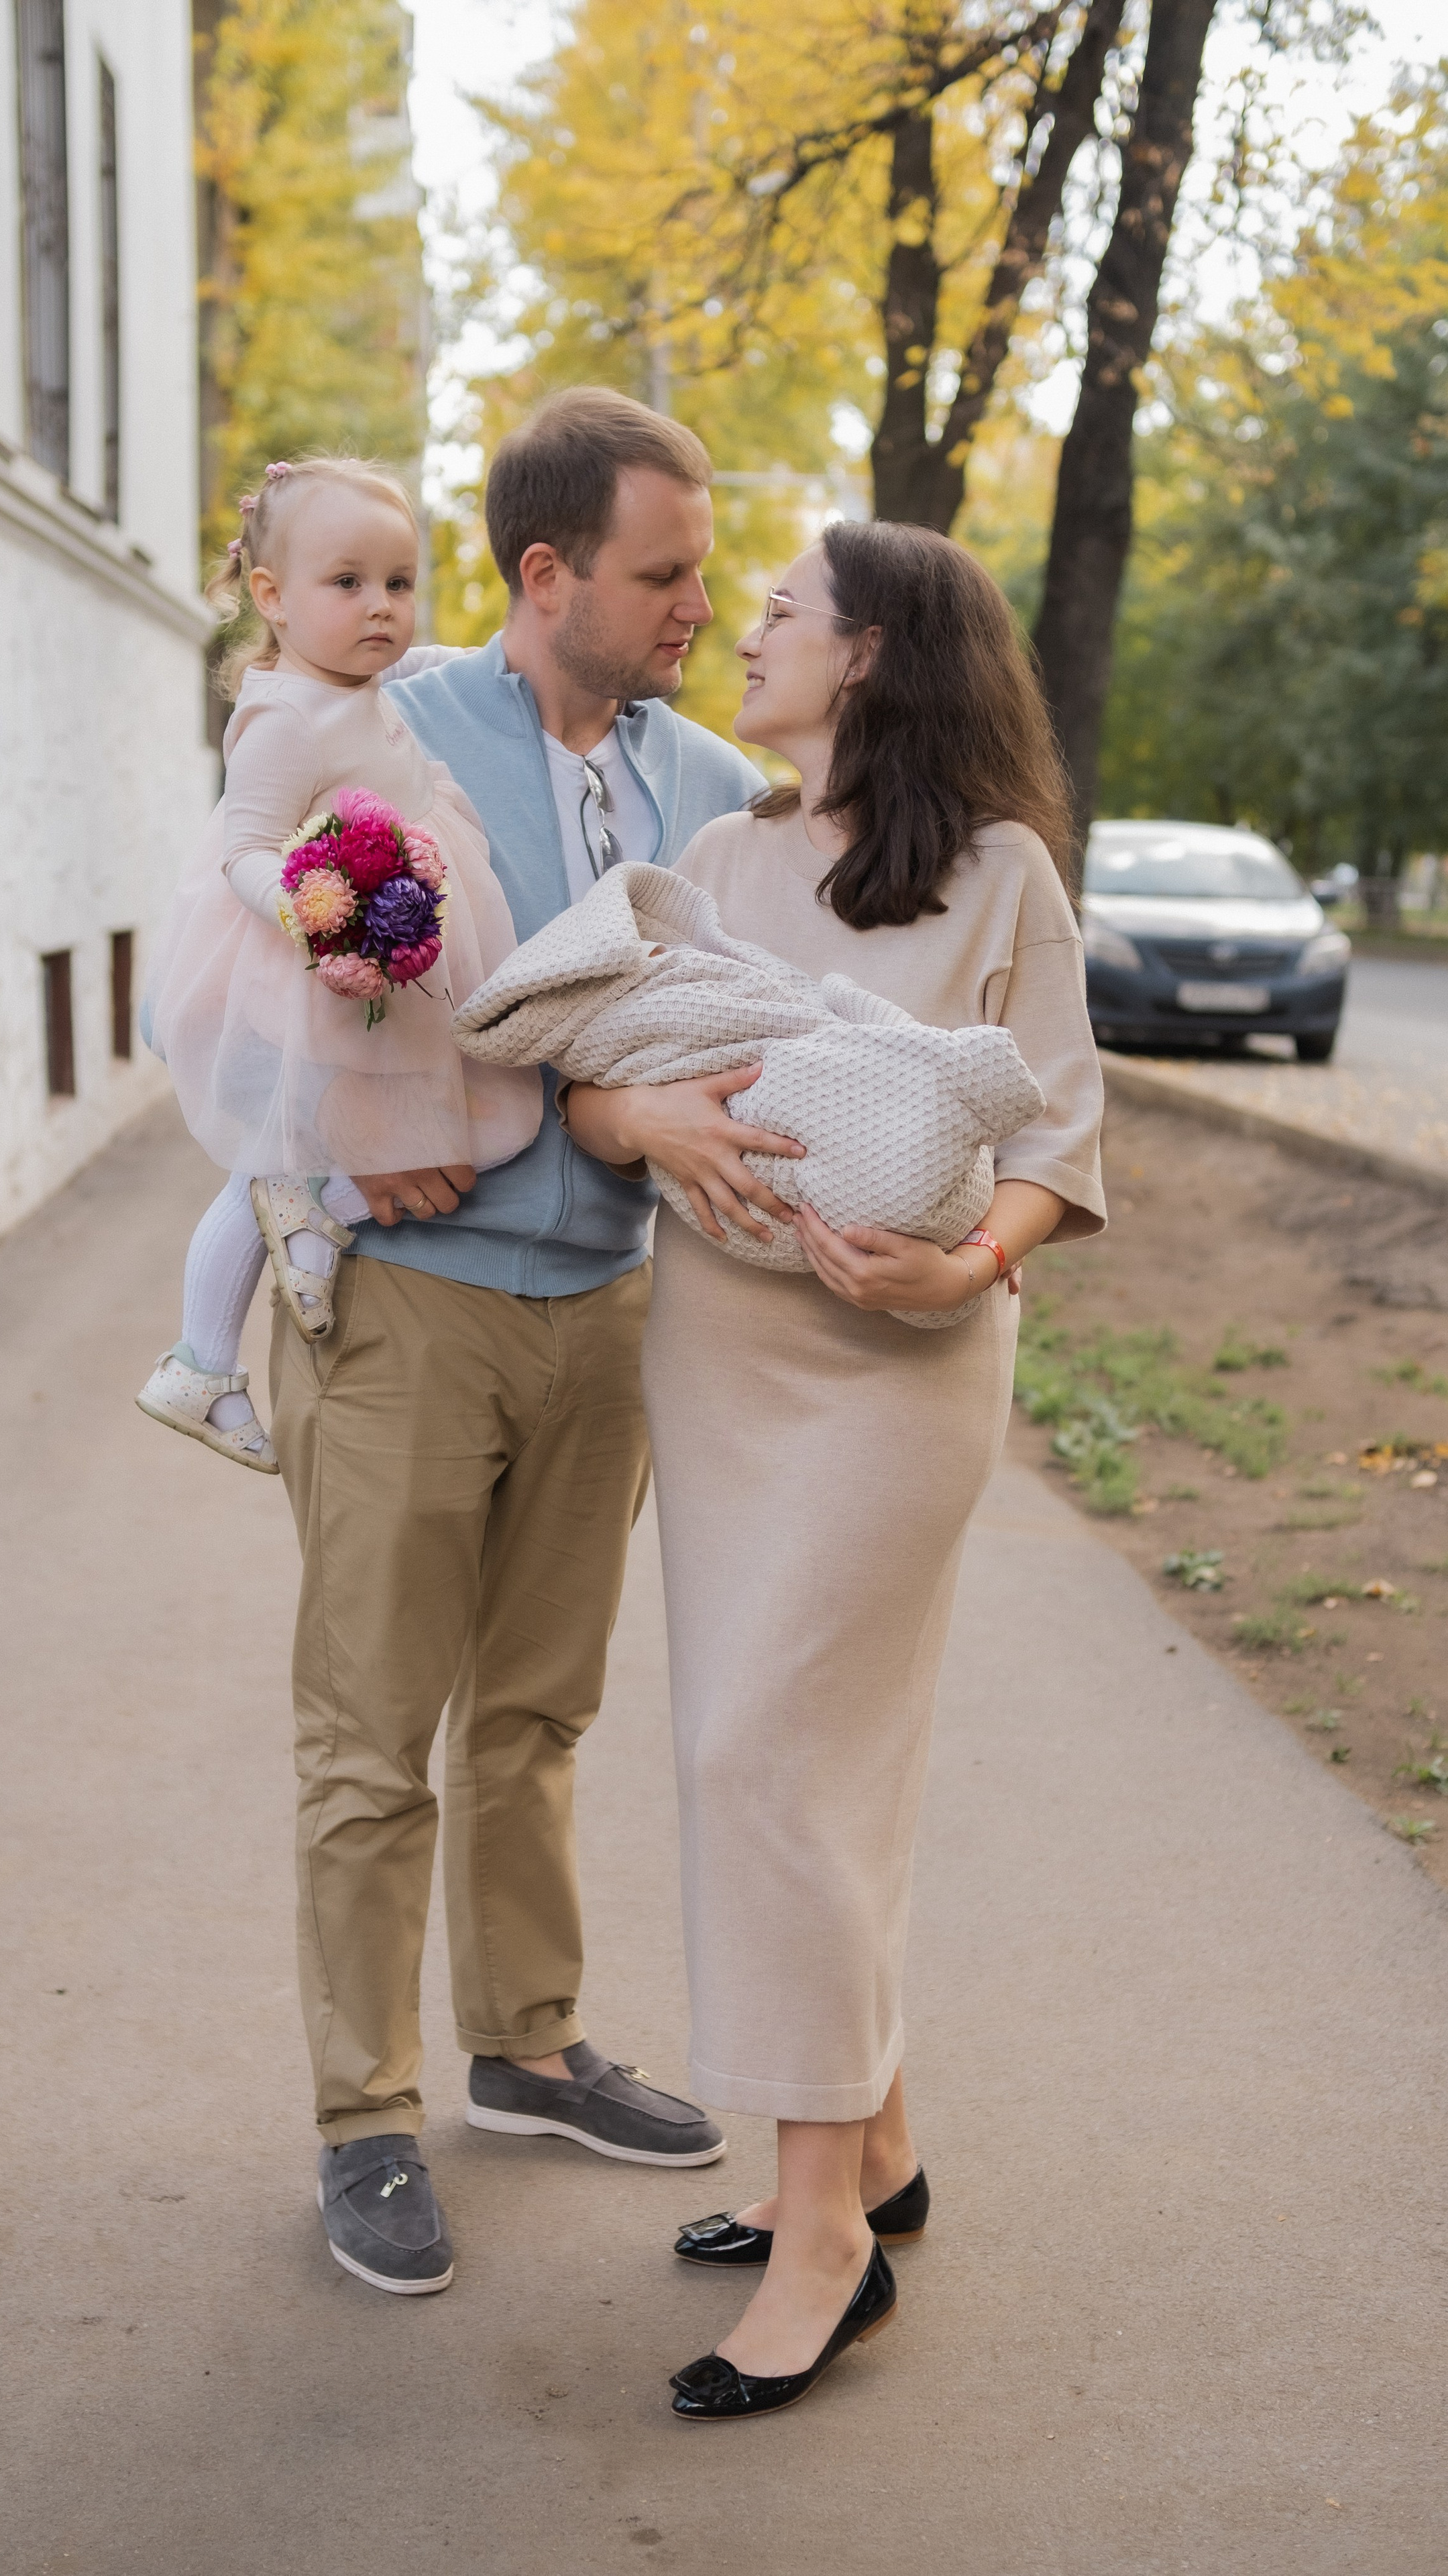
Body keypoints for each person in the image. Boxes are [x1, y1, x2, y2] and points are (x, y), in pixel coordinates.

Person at [564, 519, 1106, 2417]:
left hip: (905, 1361)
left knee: (768, 1750)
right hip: (721, 1355)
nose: (745, 632)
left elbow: (1060, 1122)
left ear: (873, 653)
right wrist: (631, 1115)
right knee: (781, 1742)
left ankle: (822, 2242)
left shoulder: (1002, 871)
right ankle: (872, 2144)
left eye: (781, 612)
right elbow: (607, 1055)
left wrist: (969, 1256)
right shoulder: (714, 858)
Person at [267, 389, 770, 2296]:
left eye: (709, 575)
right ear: (544, 572)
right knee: (373, 1734)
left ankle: (528, 2045)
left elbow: (734, 1008)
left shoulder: (708, 785)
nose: (693, 607)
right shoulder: (390, 733)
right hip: (418, 1301)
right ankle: (363, 2119)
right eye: (662, 575)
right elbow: (311, 977)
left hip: (611, 1314)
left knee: (540, 1714)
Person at [137, 456, 540, 1472]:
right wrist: (314, 918)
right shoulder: (282, 715)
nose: (383, 609)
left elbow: (449, 663)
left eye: (399, 584)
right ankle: (205, 1355)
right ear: (270, 599)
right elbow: (243, 849)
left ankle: (259, 1288)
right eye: (349, 583)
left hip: (383, 954)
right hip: (311, 961)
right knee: (292, 1151)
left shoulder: (365, 678)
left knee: (441, 1127)